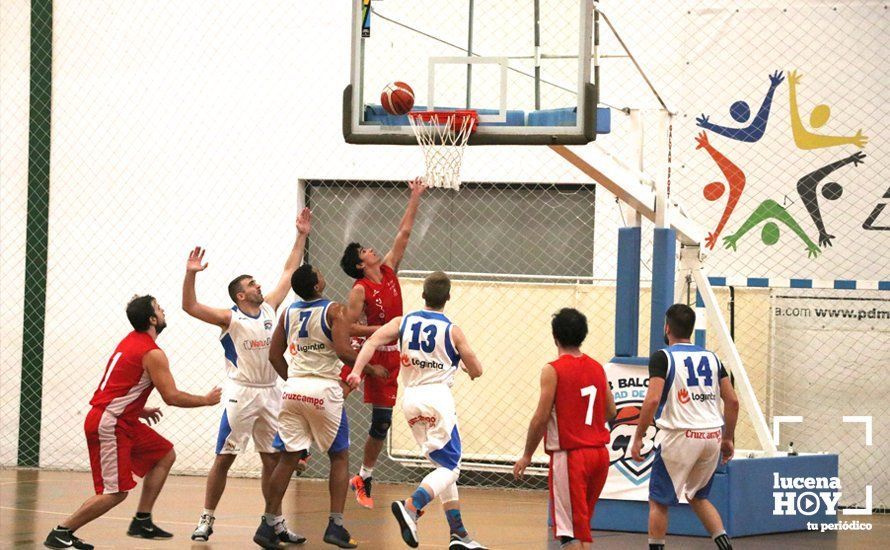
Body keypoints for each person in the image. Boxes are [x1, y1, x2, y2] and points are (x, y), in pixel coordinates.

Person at [43, 296, 221, 550]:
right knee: (115, 492)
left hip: (122, 417)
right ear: (152, 319)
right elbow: (171, 397)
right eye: (159, 309)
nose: (163, 311)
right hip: (109, 423)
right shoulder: (152, 353)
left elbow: (122, 383)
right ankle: (61, 532)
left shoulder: (131, 340)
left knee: (164, 454)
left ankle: (142, 520)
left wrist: (137, 408)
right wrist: (205, 400)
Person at [183, 208, 311, 543]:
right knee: (224, 458)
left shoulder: (270, 307)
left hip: (271, 391)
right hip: (241, 393)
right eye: (251, 283)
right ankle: (206, 519)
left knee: (273, 460)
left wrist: (301, 235)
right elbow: (190, 307)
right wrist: (191, 274)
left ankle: (275, 521)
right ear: (241, 295)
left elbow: (288, 270)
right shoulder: (230, 317)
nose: (258, 284)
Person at [347, 271, 487, 550]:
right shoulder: (452, 330)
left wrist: (356, 371)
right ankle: (412, 507)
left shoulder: (403, 321)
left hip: (410, 400)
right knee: (451, 467)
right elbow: (478, 369)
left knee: (441, 467)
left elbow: (372, 341)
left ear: (423, 295)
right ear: (448, 297)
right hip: (437, 399)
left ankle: (458, 533)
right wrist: (465, 368)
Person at [255, 264, 360, 549]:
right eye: (319, 273)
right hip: (323, 390)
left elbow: (274, 355)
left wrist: (294, 381)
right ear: (316, 285)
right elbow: (343, 350)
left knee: (288, 458)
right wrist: (369, 367)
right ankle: (335, 525)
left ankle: (267, 524)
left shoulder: (289, 312)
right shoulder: (334, 310)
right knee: (339, 457)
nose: (323, 275)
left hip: (293, 390)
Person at [339, 177, 426, 509]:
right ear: (362, 264)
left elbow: (403, 234)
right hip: (370, 350)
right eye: (365, 251)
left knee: (382, 422)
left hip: (392, 355)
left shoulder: (389, 271)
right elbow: (348, 329)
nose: (372, 249)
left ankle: (364, 475)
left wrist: (415, 196)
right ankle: (300, 446)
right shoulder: (360, 289)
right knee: (335, 393)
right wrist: (382, 329)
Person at [630, 304, 740, 550]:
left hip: (680, 437)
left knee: (658, 502)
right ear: (691, 329)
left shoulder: (663, 356)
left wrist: (638, 437)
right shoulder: (713, 358)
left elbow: (652, 399)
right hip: (712, 435)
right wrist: (727, 438)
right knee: (698, 496)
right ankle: (725, 546)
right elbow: (732, 401)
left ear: (667, 328)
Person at [513, 308, 617, 550]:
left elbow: (540, 418)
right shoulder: (597, 367)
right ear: (583, 335)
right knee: (581, 529)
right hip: (600, 455)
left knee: (569, 533)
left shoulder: (553, 369)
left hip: (572, 458)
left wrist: (527, 455)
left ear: (555, 337)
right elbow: (611, 411)